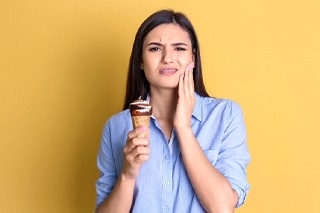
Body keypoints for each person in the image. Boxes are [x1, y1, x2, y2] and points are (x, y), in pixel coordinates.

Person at [95, 9, 250, 213]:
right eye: (154, 49)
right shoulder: (116, 127)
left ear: (192, 58)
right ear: (140, 61)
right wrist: (127, 175)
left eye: (179, 48)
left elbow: (222, 207)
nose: (168, 58)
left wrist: (184, 128)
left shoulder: (226, 115)